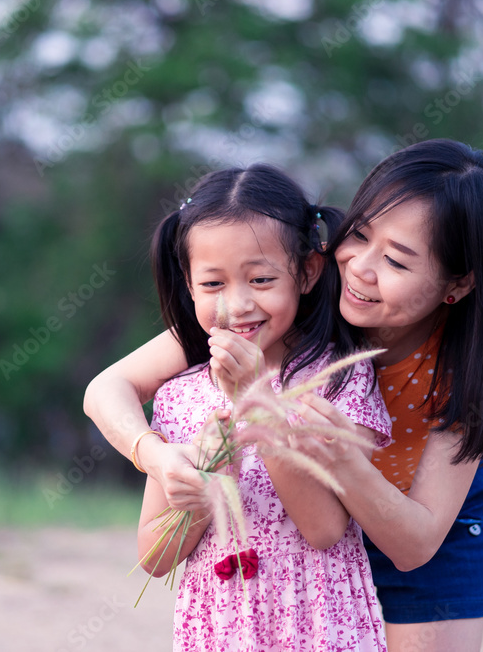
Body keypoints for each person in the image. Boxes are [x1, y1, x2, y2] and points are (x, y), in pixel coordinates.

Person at [84, 139, 483, 652]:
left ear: (458, 283)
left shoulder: (465, 369)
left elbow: (411, 544)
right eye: (359, 235)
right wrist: (158, 458)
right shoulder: (290, 303)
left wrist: (288, 426)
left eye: (398, 262)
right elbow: (107, 389)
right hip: (293, 540)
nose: (360, 268)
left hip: (418, 523)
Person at [133, 163, 391, 650]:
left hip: (319, 626)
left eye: (260, 280)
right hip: (222, 630)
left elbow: (325, 529)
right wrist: (209, 487)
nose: (236, 305)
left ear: (308, 272)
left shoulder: (339, 380)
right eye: (213, 285)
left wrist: (259, 405)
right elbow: (155, 557)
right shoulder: (179, 396)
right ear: (188, 286)